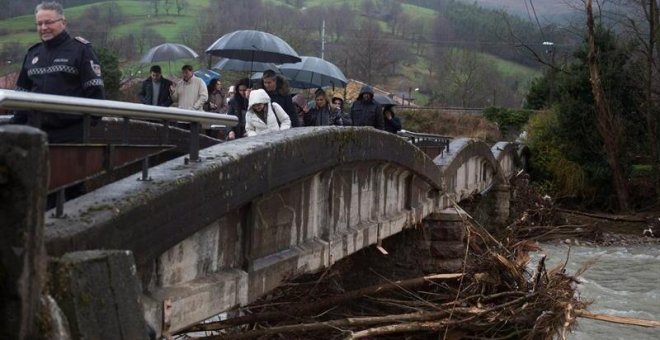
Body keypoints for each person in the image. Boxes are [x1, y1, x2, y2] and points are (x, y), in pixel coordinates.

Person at [10, 1, 105, 143]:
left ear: (63, 22)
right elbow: (21, 96)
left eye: (48, 22)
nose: (43, 28)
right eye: (39, 23)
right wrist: (15, 126)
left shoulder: (81, 50)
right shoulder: (32, 53)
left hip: (69, 136)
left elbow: (95, 93)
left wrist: (81, 127)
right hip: (33, 134)